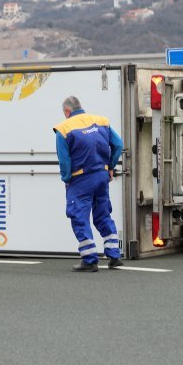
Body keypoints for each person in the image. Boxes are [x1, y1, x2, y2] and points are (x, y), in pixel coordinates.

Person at [53, 96, 124, 272]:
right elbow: (118, 144)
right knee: (103, 213)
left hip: (80, 179)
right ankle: (114, 255)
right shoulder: (101, 121)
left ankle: (89, 259)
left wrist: (66, 178)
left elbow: (64, 159)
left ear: (67, 111)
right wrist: (110, 166)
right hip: (101, 176)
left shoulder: (63, 129)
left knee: (79, 216)